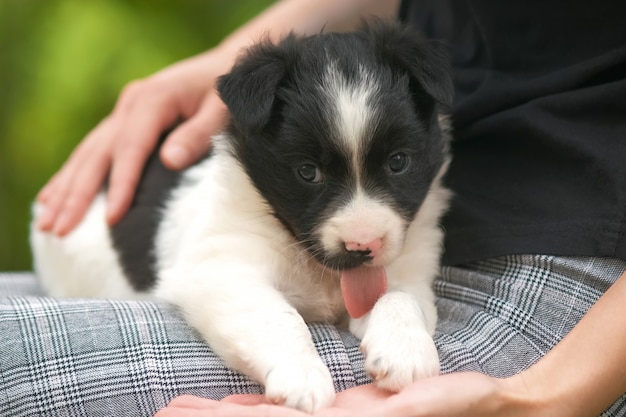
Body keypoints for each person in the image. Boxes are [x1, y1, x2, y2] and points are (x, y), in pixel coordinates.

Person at [34, 0, 626, 416]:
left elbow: (400, 296)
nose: (364, 228)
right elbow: (214, 277)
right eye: (310, 173)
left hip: (569, 298)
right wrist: (286, 352)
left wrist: (548, 398)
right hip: (83, 254)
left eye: (395, 165)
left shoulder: (413, 219)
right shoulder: (235, 206)